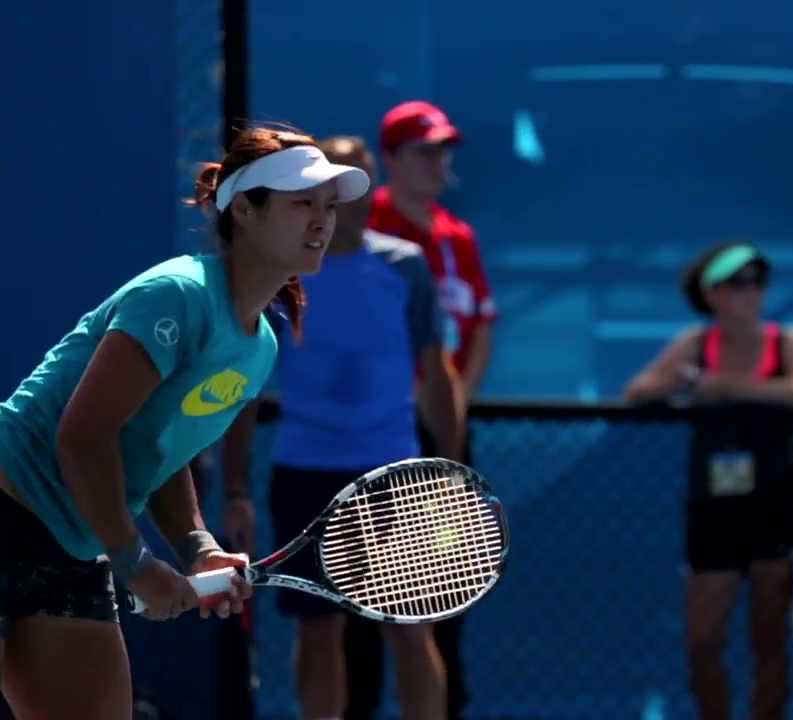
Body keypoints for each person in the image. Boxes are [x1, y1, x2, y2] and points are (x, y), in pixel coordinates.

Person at [0, 124, 370, 718]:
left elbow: (158, 447)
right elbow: (85, 436)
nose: (322, 219)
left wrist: (196, 547)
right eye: (302, 202)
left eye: (328, 205)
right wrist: (134, 562)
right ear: (244, 210)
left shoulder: (260, 348)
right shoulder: (178, 293)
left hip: (70, 542)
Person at [222, 136, 463, 720]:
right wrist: (233, 489)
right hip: (305, 471)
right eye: (323, 193)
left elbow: (436, 374)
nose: (337, 205)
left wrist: (448, 473)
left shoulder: (405, 267)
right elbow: (245, 388)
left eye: (350, 186)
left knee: (409, 627)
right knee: (320, 630)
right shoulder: (283, 276)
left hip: (397, 474)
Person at [623, 242, 793, 720]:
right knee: (703, 641)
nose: (750, 293)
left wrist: (724, 389)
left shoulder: (786, 340)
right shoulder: (694, 344)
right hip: (714, 508)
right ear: (713, 294)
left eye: (756, 282)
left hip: (776, 503)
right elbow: (638, 392)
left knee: (769, 638)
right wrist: (684, 381)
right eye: (737, 283)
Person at [366, 99, 497, 720]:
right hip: (381, 435)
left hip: (444, 437)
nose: (438, 163)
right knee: (365, 597)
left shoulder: (457, 237)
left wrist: (452, 402)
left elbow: (481, 327)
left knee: (444, 590)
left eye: (444, 150)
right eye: (424, 151)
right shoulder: (370, 232)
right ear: (390, 159)